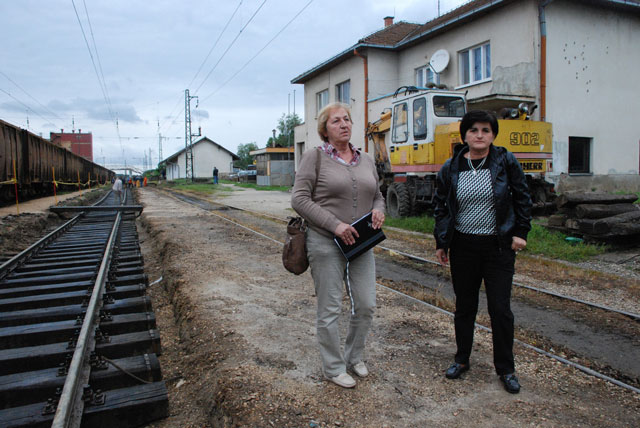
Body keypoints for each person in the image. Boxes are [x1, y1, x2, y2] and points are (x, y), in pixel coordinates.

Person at [433, 110, 532, 394]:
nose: (479, 135)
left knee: (500, 309)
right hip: (463, 247)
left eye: (486, 130)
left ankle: (506, 369)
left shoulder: (505, 161)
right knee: (465, 307)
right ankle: (462, 359)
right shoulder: (451, 167)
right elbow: (441, 206)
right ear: (464, 135)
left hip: (498, 248)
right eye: (473, 130)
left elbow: (522, 197)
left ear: (493, 135)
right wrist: (442, 242)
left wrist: (521, 232)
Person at [292, 102, 385, 389]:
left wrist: (379, 210)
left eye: (347, 119)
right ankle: (333, 368)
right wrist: (335, 225)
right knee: (330, 308)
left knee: (366, 304)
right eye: (336, 121)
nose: (344, 124)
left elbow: (378, 195)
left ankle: (353, 356)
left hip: (361, 243)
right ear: (325, 130)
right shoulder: (314, 157)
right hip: (325, 241)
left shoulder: (365, 159)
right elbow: (299, 199)